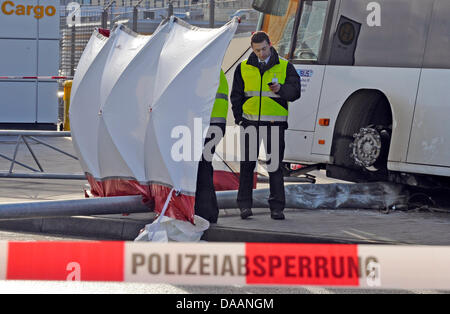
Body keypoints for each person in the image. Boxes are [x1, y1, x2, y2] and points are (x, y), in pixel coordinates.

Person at [230, 31, 301, 220]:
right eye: (257, 50)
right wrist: (239, 118)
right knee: (247, 166)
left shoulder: (285, 66)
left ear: (270, 44)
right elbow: (236, 96)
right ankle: (244, 206)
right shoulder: (243, 67)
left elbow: (295, 93)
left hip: (275, 124)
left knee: (275, 166)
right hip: (250, 123)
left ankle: (277, 208)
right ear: (252, 49)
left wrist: (281, 90)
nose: (261, 53)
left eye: (263, 49)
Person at [194, 69, 228, 223]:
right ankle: (210, 212)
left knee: (202, 168)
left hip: (207, 125)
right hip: (216, 125)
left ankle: (204, 212)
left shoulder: (205, 68)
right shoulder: (215, 68)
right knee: (205, 166)